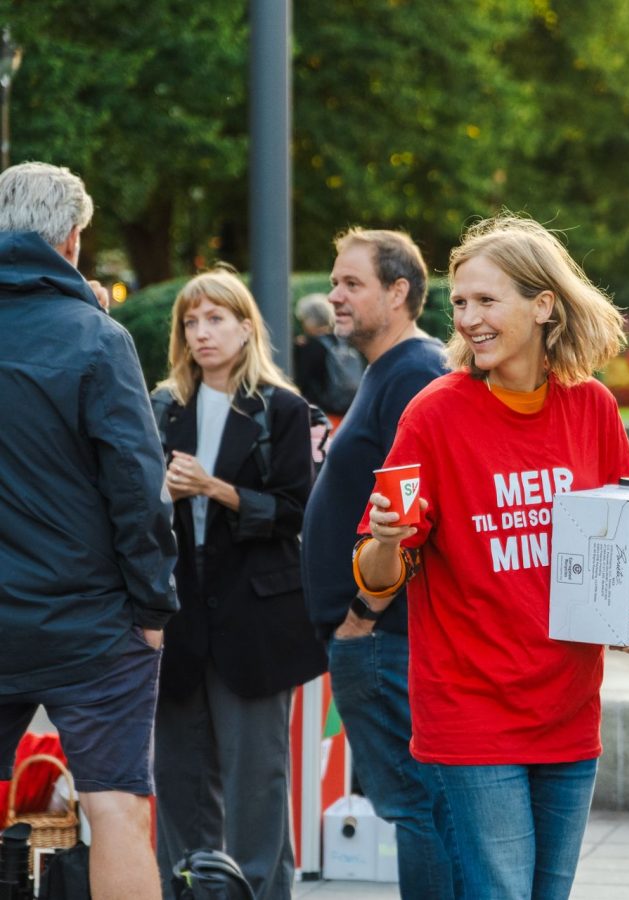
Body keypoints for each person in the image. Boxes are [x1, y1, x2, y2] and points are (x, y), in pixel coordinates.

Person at [355, 214, 629, 900]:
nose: (468, 319)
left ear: (542, 305)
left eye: (487, 300)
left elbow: (628, 540)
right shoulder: (434, 415)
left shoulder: (591, 407)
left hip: (568, 709)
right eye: (460, 303)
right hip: (472, 713)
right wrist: (385, 538)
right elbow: (377, 582)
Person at [0, 161, 178, 900]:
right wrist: (154, 605)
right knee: (115, 807)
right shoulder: (97, 338)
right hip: (92, 620)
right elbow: (138, 488)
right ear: (72, 239)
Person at [151, 269, 327, 900]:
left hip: (256, 626)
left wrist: (217, 491)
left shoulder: (283, 409)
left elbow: (297, 512)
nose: (201, 333)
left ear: (246, 327)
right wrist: (159, 493)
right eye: (190, 322)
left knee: (258, 786)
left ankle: (262, 893)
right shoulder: (162, 408)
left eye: (215, 319)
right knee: (178, 781)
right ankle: (186, 890)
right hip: (178, 623)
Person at [300, 229, 455, 896]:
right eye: (334, 282)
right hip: (375, 635)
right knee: (416, 806)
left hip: (384, 636)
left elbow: (415, 516)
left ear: (398, 292)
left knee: (416, 806)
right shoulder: (389, 370)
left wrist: (362, 616)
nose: (335, 294)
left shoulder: (414, 372)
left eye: (352, 283)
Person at [293, 291, 365, 427]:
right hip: (348, 413)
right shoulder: (343, 341)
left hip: (321, 416)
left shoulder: (309, 346)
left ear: (309, 320)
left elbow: (300, 381)